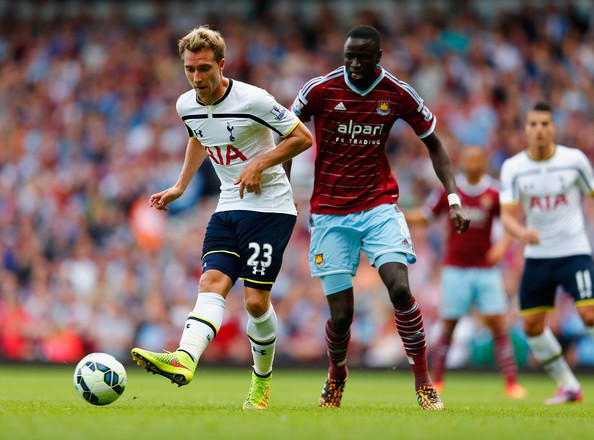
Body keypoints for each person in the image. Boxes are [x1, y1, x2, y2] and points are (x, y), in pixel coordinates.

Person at [130, 26, 313, 410]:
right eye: (190, 69)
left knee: (255, 303)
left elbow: (301, 138)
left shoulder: (254, 99)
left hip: (270, 209)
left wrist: (260, 162)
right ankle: (185, 357)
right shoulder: (185, 105)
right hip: (228, 206)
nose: (197, 78)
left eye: (204, 69)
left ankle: (260, 384)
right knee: (211, 282)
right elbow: (199, 135)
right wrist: (180, 186)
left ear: (222, 64)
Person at [291, 25, 469, 410]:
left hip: (378, 206)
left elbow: (435, 145)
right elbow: (286, 134)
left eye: (362, 57)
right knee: (342, 316)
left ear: (378, 58)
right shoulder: (320, 90)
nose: (354, 63)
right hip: (329, 213)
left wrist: (452, 197)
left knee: (400, 288)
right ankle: (336, 374)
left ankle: (423, 383)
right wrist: (283, 193)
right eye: (348, 56)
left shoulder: (397, 93)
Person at [405, 146, 527, 399]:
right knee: (449, 325)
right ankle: (437, 380)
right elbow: (427, 216)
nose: (472, 163)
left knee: (498, 324)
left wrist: (502, 247)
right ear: (462, 162)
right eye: (468, 159)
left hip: (485, 269)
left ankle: (511, 383)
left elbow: (509, 222)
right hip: (456, 268)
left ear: (483, 162)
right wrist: (397, 213)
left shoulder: (494, 192)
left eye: (477, 159)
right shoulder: (450, 191)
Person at [499, 102, 594, 404]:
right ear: (525, 129)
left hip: (574, 251)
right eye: (533, 124)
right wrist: (520, 232)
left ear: (553, 128)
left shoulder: (574, 160)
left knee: (589, 314)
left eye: (544, 124)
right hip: (538, 256)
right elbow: (507, 215)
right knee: (532, 326)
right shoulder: (513, 168)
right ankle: (568, 385)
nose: (539, 129)